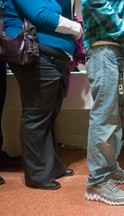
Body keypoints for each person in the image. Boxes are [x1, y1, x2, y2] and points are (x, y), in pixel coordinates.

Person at [3, 0, 83, 190]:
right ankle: (37, 175)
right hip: (37, 55)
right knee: (36, 116)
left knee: (47, 116)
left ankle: (51, 166)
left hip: (54, 57)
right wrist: (75, 28)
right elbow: (41, 15)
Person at [81, 0, 124, 206]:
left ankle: (110, 168)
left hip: (113, 50)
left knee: (115, 116)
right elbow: (95, 3)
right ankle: (97, 181)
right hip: (103, 49)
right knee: (105, 115)